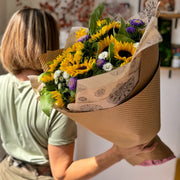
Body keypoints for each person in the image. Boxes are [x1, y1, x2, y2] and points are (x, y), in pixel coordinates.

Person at [0, 8, 157, 180]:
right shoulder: (57, 100)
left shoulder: (2, 84)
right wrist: (117, 153)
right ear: (51, 41)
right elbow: (63, 173)